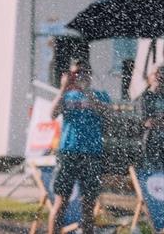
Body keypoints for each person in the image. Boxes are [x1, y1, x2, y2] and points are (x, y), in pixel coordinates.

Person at [48, 59, 110, 234]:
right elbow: (52, 114)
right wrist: (62, 88)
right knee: (61, 203)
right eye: (76, 73)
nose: (79, 76)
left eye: (83, 72)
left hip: (92, 154)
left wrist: (87, 92)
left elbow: (107, 114)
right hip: (68, 152)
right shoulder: (66, 96)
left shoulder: (101, 95)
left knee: (88, 206)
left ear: (89, 74)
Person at [138, 64, 164, 167]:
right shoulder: (147, 97)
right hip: (152, 143)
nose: (160, 77)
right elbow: (146, 122)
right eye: (157, 74)